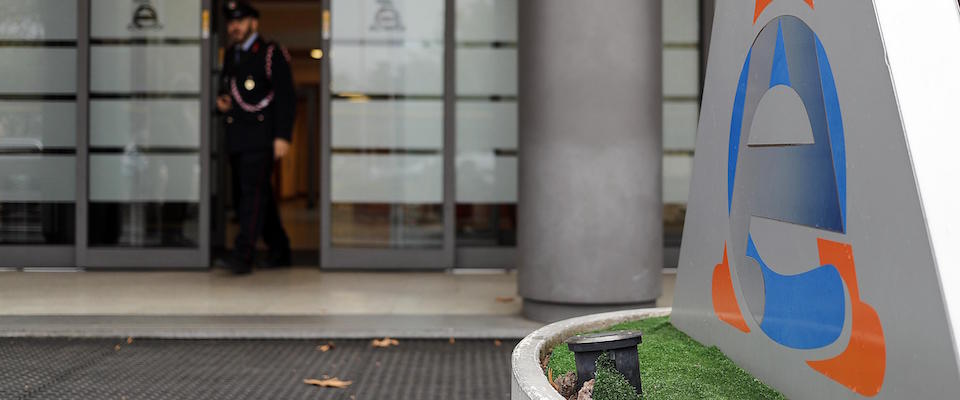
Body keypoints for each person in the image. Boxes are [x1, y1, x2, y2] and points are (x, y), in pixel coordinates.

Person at [215, 0, 294, 275]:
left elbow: (285, 97)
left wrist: (283, 136)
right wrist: (223, 103)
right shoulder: (231, 55)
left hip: (261, 139)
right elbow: (231, 92)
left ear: (254, 23)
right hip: (237, 138)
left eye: (240, 21)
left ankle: (242, 255)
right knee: (259, 196)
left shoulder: (271, 54)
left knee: (251, 197)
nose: (234, 27)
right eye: (231, 22)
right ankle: (280, 249)